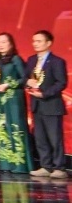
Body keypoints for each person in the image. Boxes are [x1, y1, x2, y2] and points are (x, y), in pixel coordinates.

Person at [0, 32, 32, 175]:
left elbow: (24, 79)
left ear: (11, 44)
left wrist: (8, 85)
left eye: (4, 42)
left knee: (16, 128)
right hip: (1, 99)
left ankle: (20, 164)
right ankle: (6, 163)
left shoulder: (16, 59)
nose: (1, 45)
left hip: (14, 99)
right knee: (3, 129)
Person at [25, 29, 67, 178]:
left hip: (51, 105)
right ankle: (46, 166)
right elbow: (24, 78)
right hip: (36, 105)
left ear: (48, 43)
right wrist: (28, 82)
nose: (35, 44)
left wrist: (44, 93)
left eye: (39, 41)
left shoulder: (57, 61)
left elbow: (61, 82)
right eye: (34, 41)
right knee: (40, 137)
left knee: (55, 138)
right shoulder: (31, 60)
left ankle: (59, 168)